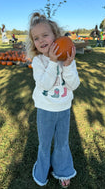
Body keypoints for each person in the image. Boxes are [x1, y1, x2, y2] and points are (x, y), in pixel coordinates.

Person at [27, 12, 80, 188]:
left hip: (64, 110)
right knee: (45, 143)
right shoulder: (38, 61)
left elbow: (74, 85)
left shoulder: (67, 60)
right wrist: (52, 62)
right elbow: (45, 84)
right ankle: (42, 171)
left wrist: (66, 66)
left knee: (62, 143)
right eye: (36, 38)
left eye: (45, 35)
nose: (41, 40)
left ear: (55, 36)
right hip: (45, 110)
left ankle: (63, 170)